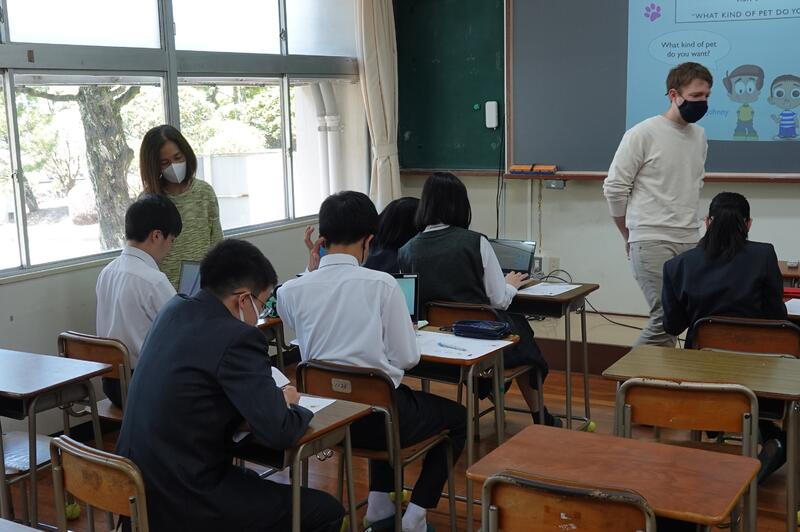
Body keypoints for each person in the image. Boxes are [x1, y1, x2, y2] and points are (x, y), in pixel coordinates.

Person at [116, 239, 344, 532]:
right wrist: (289, 402)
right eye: (263, 304)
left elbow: (198, 392)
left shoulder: (173, 310)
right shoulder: (238, 337)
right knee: (326, 511)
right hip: (185, 500)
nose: (261, 313)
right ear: (243, 300)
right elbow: (280, 431)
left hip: (134, 490)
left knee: (251, 484)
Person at [278, 191, 466, 532]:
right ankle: (415, 517)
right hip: (377, 421)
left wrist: (310, 269)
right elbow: (407, 358)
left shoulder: (290, 290)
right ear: (368, 240)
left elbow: (297, 319)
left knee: (383, 396)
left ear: (322, 239)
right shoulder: (382, 285)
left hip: (324, 421)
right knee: (454, 417)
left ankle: (379, 505)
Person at [397, 172, 557, 426]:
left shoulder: (406, 250)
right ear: (461, 205)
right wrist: (510, 284)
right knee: (522, 336)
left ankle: (492, 389)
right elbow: (499, 300)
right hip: (481, 339)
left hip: (434, 342)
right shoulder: (475, 242)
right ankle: (540, 415)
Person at [662, 191, 789, 484]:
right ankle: (772, 436)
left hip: (703, 377)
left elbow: (672, 326)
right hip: (759, 377)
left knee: (717, 370)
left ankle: (718, 426)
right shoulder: (764, 255)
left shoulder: (678, 265)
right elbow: (778, 319)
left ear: (707, 222)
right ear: (748, 224)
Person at [603, 62, 713, 347]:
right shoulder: (643, 133)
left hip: (690, 239)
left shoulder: (699, 136)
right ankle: (630, 375)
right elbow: (615, 188)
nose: (702, 102)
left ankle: (670, 375)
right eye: (696, 95)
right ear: (674, 95)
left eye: (707, 96)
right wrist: (627, 233)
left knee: (688, 316)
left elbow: (693, 185)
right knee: (665, 319)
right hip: (651, 239)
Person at [95, 194, 181, 408]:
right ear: (157, 236)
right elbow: (183, 335)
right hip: (145, 386)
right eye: (171, 240)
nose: (170, 248)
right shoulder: (154, 281)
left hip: (112, 385)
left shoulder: (107, 272)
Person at [139, 124, 223, 288]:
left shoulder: (204, 192)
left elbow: (217, 244)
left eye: (178, 158)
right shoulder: (147, 202)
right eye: (165, 162)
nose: (174, 166)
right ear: (155, 166)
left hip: (202, 288)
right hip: (162, 291)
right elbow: (143, 257)